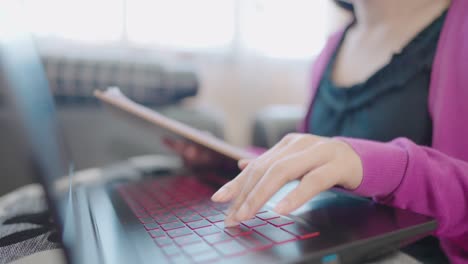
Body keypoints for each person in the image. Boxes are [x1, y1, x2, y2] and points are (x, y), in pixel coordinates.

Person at [167, 0, 468, 262]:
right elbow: (315, 163)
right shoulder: (332, 47)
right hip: (324, 246)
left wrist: (380, 166)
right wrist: (234, 160)